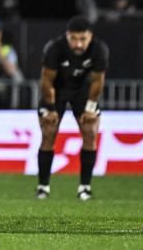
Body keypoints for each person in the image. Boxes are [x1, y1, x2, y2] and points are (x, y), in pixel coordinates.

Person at [36, 15, 109, 202]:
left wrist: (91, 107)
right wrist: (51, 107)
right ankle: (43, 187)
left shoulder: (99, 49)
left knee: (90, 131)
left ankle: (84, 188)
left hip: (82, 90)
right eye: (74, 39)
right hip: (57, 90)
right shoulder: (55, 48)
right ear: (67, 36)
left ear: (90, 36)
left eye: (82, 39)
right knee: (49, 131)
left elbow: (98, 81)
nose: (78, 44)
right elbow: (46, 79)